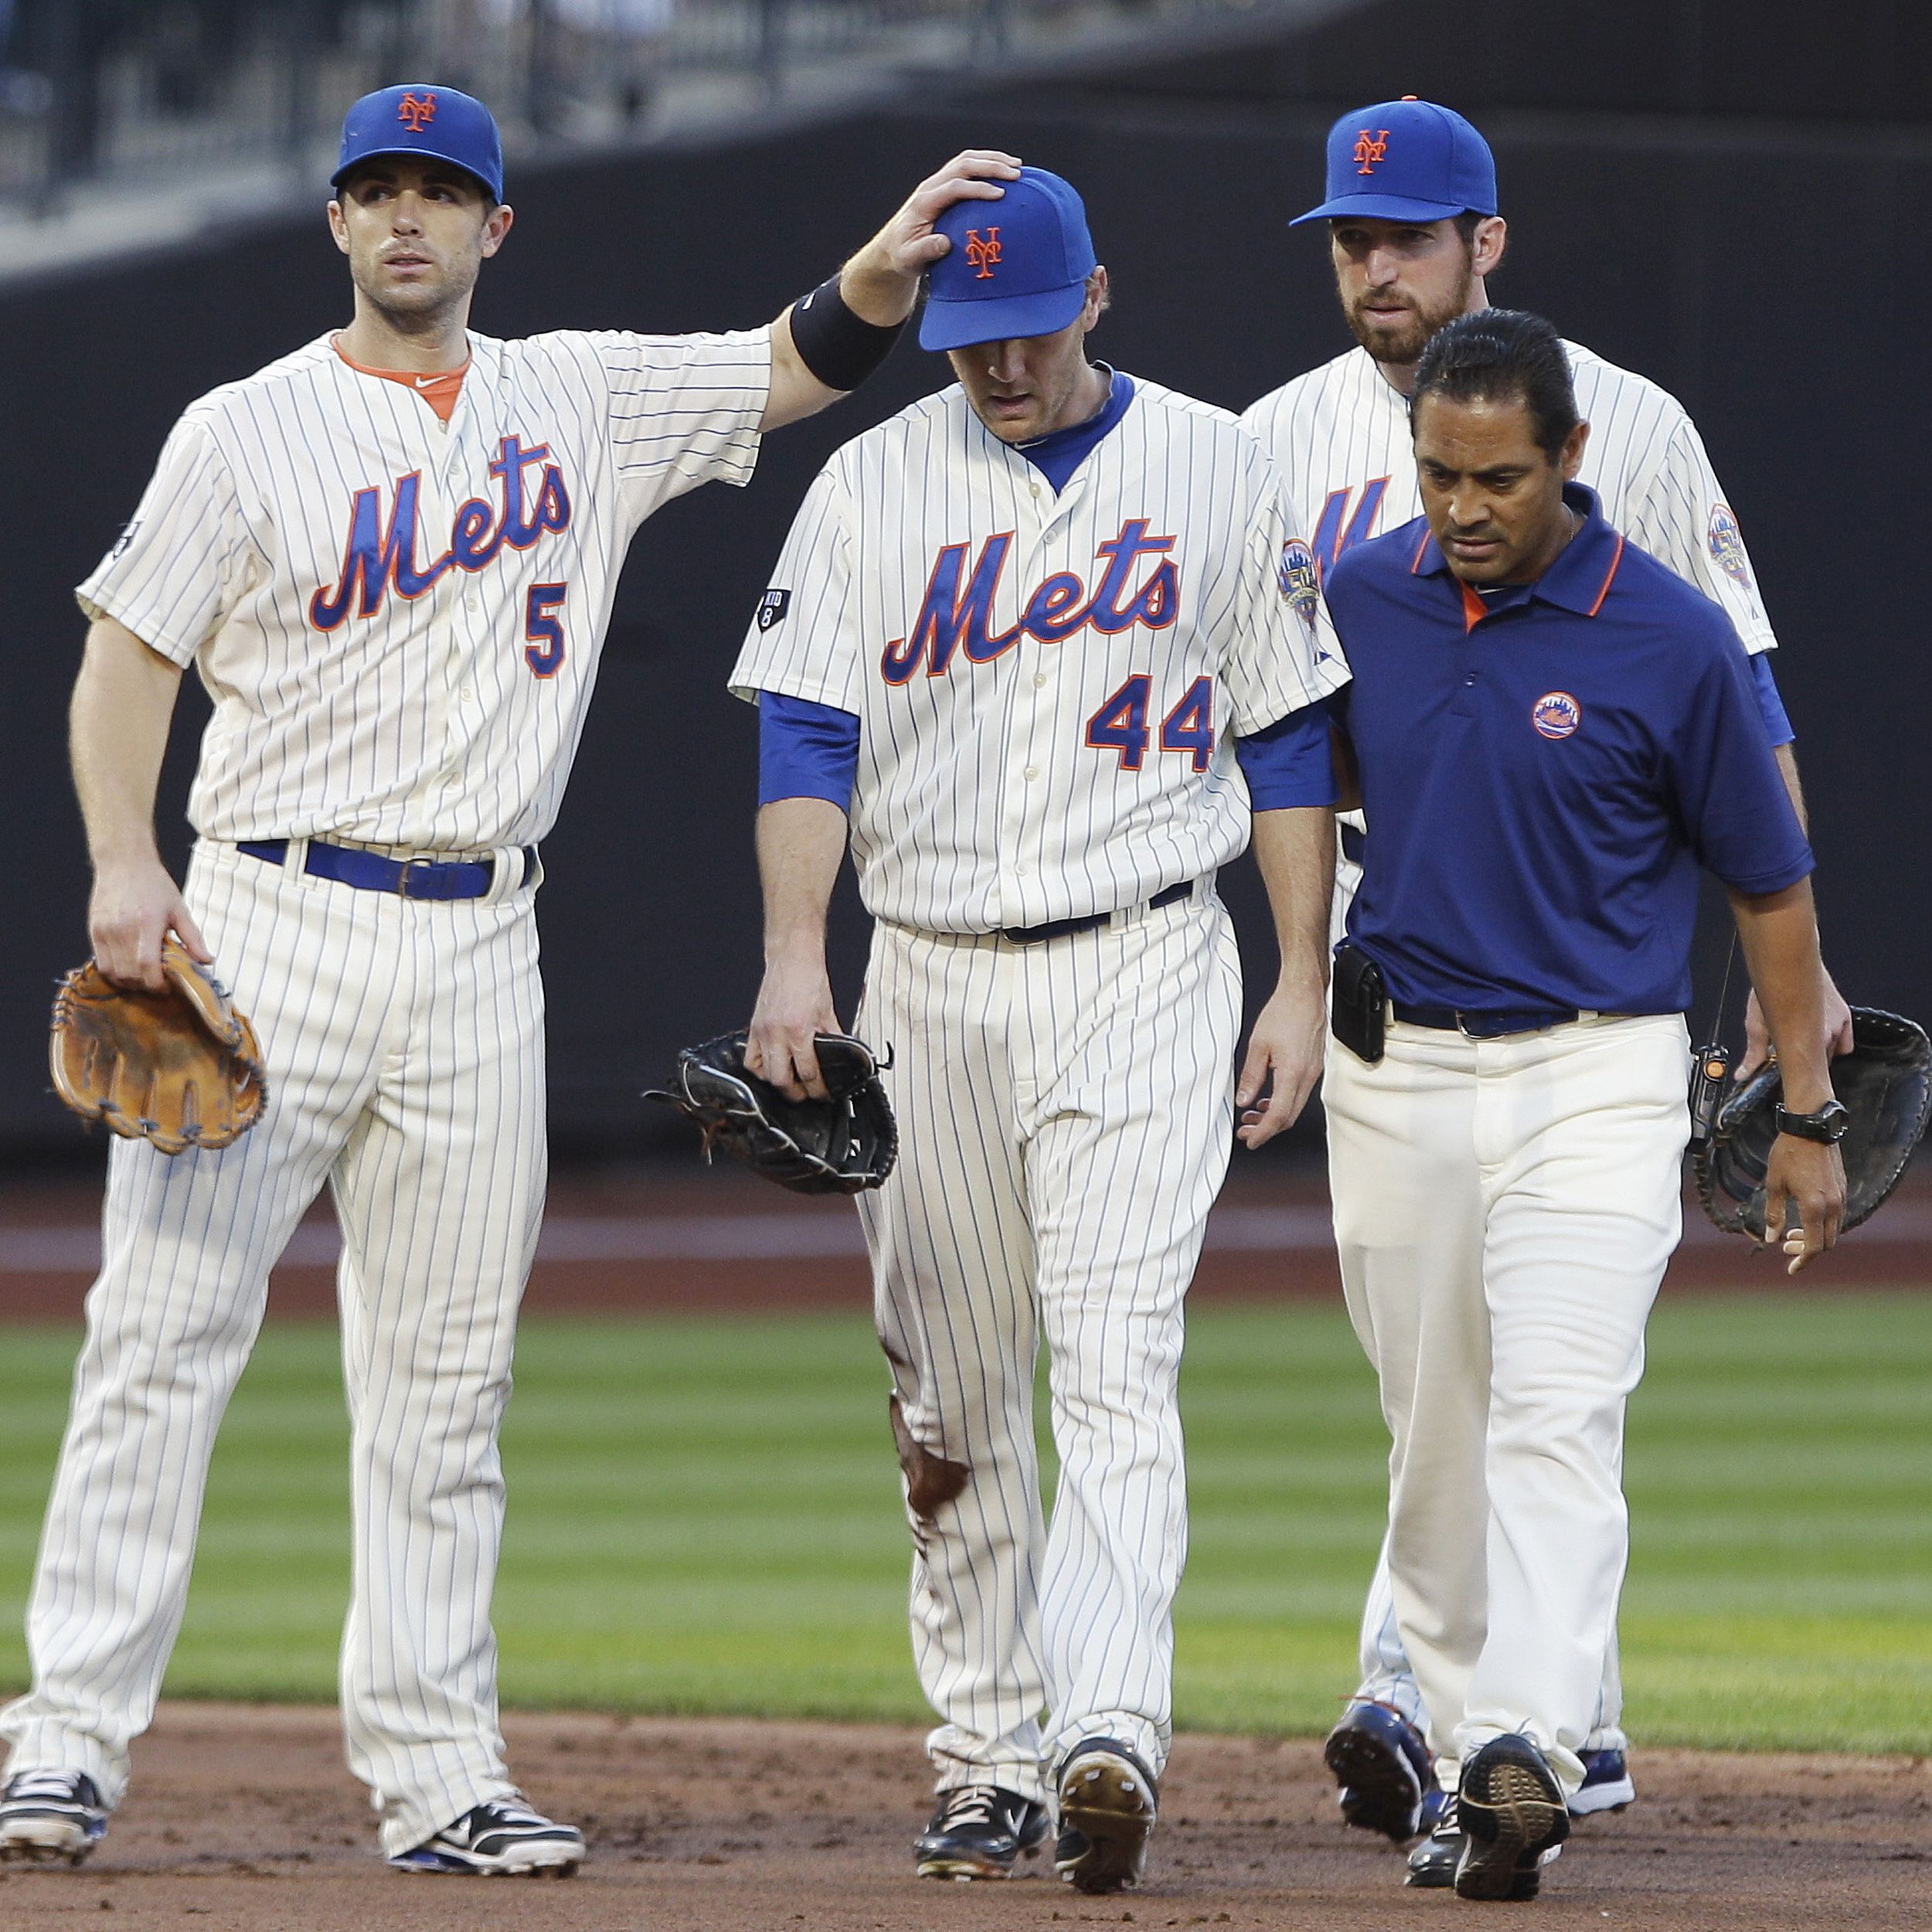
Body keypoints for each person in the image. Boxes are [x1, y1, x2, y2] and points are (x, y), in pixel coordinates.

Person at [0, 81, 1019, 1877]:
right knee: (158, 1344)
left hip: (483, 939)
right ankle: (60, 1743)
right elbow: (121, 660)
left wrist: (873, 267)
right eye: (377, 192)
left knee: (448, 1379)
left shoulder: (580, 393)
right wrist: (122, 863)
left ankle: (438, 1767)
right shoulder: (245, 430)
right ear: (335, 223)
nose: (408, 219)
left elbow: (793, 365)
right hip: (268, 917)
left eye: (441, 193)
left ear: (494, 228)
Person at [1238, 95, 1853, 1869]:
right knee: (1432, 1421)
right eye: (1348, 236)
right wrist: (1286, 972)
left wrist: (1793, 1043)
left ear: (1481, 243)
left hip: (1595, 1030)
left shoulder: (1637, 479)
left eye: (1404, 234)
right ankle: (1445, 1724)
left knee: (1554, 1405)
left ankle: (1525, 1739)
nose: (1371, 262)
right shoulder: (1310, 494)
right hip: (1392, 1008)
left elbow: (1751, 774)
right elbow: (1279, 753)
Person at [726, 167, 1348, 1893]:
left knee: (1114, 1351)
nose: (988, 367)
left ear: (1091, 299)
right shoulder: (870, 480)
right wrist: (796, 957)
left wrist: (1298, 976)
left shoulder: (1217, 463)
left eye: (1015, 332)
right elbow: (801, 734)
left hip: (1146, 956)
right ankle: (990, 1752)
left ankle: (1107, 1732)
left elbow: (1289, 734)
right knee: (945, 1385)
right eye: (960, 340)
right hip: (921, 969)